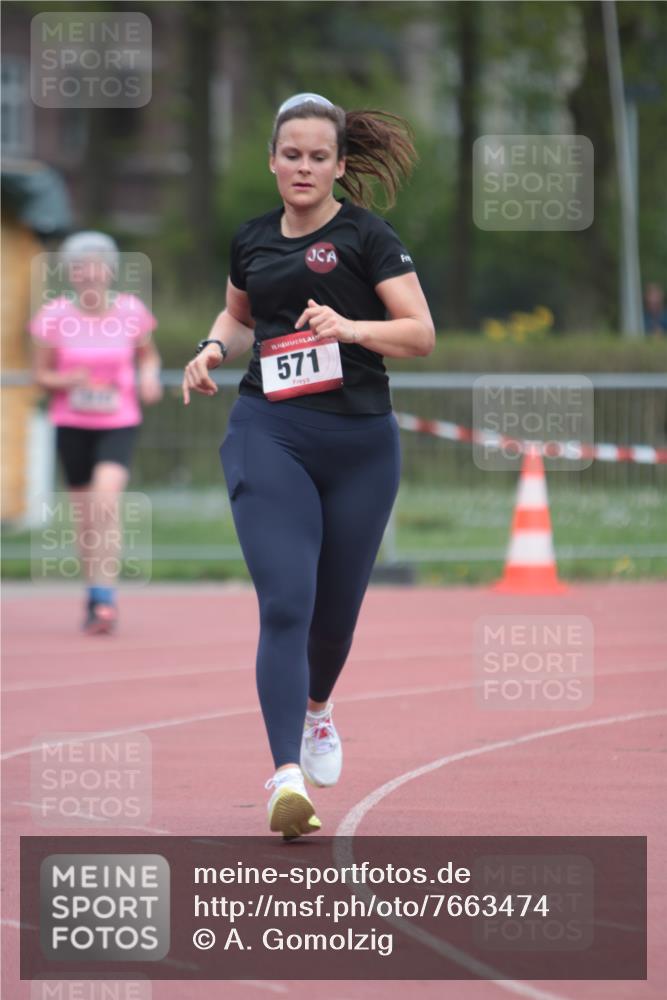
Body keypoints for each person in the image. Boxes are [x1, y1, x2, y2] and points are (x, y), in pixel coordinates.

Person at [182, 93, 435, 839]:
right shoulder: (253, 239)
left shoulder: (366, 236)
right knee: (285, 602)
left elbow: (420, 335)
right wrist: (210, 349)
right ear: (271, 160)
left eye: (317, 156)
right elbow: (238, 312)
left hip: (359, 445)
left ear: (338, 166)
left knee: (333, 618)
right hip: (272, 431)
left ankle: (317, 712)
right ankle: (284, 777)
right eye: (290, 154)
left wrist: (349, 326)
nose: (302, 166)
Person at [31, 231, 162, 633]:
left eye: (97, 266)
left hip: (118, 420)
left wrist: (149, 377)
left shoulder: (130, 311)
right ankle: (96, 595)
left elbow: (148, 353)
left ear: (110, 271)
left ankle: (106, 597)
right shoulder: (54, 316)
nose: (90, 275)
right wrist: (68, 380)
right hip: (72, 424)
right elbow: (42, 375)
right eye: (81, 268)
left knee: (106, 500)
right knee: (86, 519)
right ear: (71, 274)